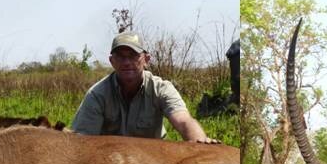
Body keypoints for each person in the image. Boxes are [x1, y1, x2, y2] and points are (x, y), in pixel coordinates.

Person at [70, 32, 217, 143]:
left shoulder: (161, 89)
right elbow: (82, 142)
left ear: (146, 59)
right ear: (112, 61)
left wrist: (201, 144)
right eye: (120, 56)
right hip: (111, 161)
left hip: (151, 162)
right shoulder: (97, 94)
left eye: (133, 55)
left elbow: (184, 122)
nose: (127, 62)